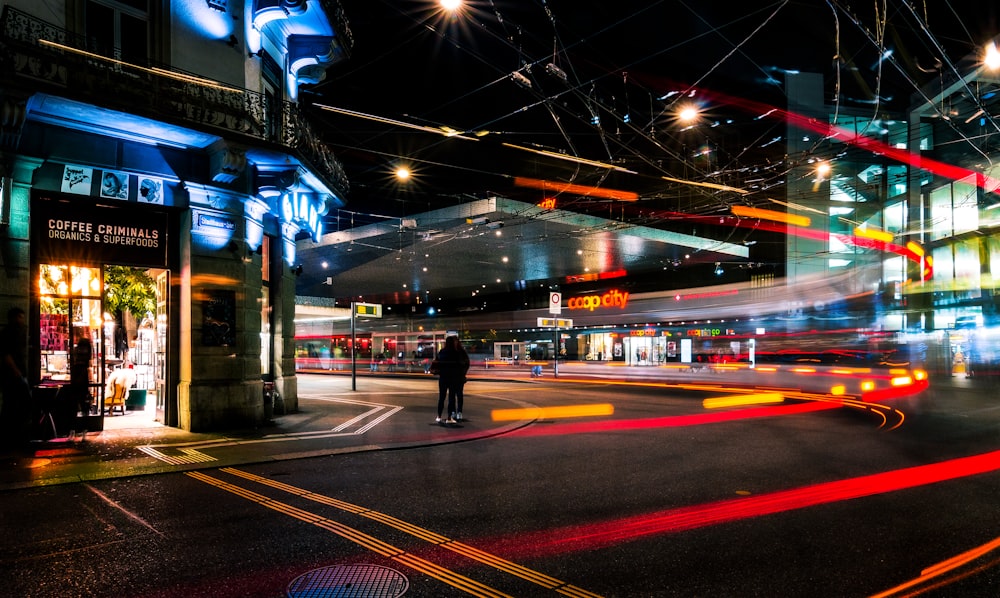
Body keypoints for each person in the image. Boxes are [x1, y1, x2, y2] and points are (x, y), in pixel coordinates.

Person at [0, 307, 31, 446]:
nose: (22, 320)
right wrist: (16, 371)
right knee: (15, 405)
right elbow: (5, 355)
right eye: (19, 317)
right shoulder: (8, 334)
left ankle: (13, 436)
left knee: (15, 405)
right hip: (12, 376)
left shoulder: (17, 333)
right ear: (13, 318)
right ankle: (12, 437)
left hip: (17, 374)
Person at [432, 335, 466, 424]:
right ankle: (449, 417)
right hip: (453, 378)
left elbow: (437, 362)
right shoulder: (456, 353)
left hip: (443, 377)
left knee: (441, 397)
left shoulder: (442, 352)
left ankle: (439, 416)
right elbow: (460, 365)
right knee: (451, 398)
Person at [453, 339, 470, 421]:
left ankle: (459, 412)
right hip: (453, 376)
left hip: (459, 376)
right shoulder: (455, 352)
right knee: (452, 395)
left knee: (459, 395)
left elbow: (467, 363)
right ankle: (453, 411)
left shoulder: (461, 352)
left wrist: (463, 372)